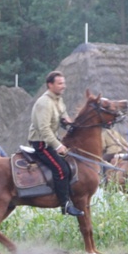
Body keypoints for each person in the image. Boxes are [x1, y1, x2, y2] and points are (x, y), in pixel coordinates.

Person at [27, 71, 84, 216]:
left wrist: (68, 122)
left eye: (64, 83)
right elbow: (44, 128)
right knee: (61, 169)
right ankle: (64, 204)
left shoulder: (58, 100)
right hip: (41, 143)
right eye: (60, 83)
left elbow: (63, 116)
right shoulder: (44, 103)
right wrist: (57, 145)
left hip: (50, 140)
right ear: (50, 85)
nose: (63, 86)